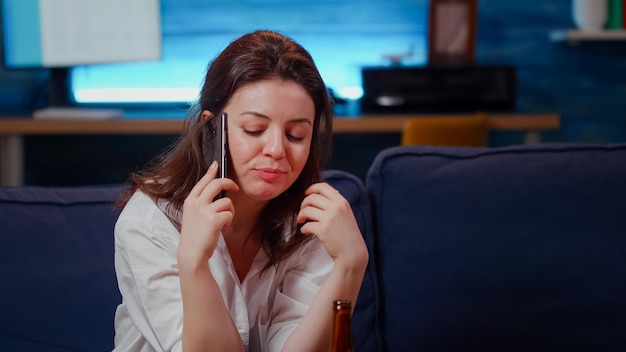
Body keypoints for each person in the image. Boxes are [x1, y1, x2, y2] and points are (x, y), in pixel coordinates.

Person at [113, 30, 369, 352]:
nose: (276, 150)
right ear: (210, 128)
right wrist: (195, 263)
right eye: (254, 129)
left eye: (296, 135)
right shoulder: (150, 220)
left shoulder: (313, 222)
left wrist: (351, 263)